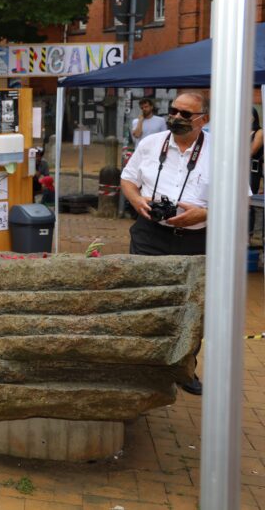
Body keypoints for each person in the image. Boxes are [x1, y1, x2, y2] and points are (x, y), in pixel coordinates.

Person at [120, 91, 209, 396]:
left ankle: (184, 369)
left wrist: (205, 212)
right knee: (142, 302)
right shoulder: (149, 144)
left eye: (187, 114)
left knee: (191, 308)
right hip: (149, 234)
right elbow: (128, 179)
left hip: (196, 240)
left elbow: (240, 200)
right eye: (174, 111)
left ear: (204, 119)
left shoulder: (222, 151)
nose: (177, 118)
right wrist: (136, 201)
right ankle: (142, 369)